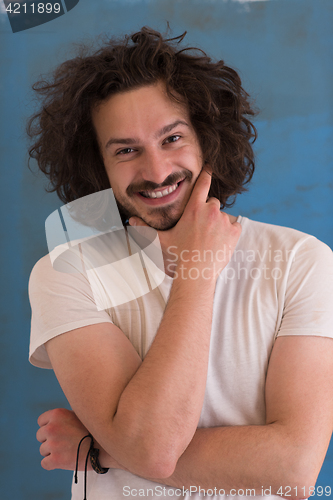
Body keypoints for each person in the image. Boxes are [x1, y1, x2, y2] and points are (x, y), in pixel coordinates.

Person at [27, 27, 333, 500]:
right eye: (126, 150)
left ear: (208, 139)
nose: (156, 171)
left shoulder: (300, 260)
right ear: (97, 166)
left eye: (172, 138)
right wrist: (200, 271)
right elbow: (152, 450)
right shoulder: (66, 273)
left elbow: (292, 469)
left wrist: (99, 450)